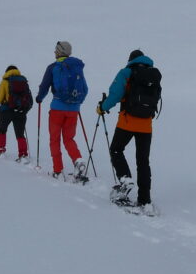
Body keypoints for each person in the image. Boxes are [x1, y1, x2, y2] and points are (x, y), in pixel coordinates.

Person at [97, 49, 158, 210]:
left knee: (116, 150)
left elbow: (115, 95)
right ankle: (145, 200)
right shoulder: (153, 74)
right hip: (146, 124)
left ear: (131, 60)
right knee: (143, 160)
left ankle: (125, 180)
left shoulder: (126, 72)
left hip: (127, 121)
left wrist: (103, 107)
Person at [35, 41, 88, 180]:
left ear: (59, 52)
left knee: (55, 139)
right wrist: (77, 103)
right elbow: (85, 88)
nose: (54, 52)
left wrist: (39, 98)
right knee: (69, 139)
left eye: (56, 50)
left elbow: (44, 87)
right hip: (74, 110)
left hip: (57, 109)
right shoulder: (77, 67)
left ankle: (58, 171)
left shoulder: (53, 67)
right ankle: (78, 160)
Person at [0, 65, 32, 161]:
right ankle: (23, 153)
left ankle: (0, 149)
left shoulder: (4, 82)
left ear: (7, 71)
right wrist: (24, 109)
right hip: (20, 111)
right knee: (20, 134)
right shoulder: (23, 81)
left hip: (6, 111)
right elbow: (29, 99)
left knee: (2, 130)